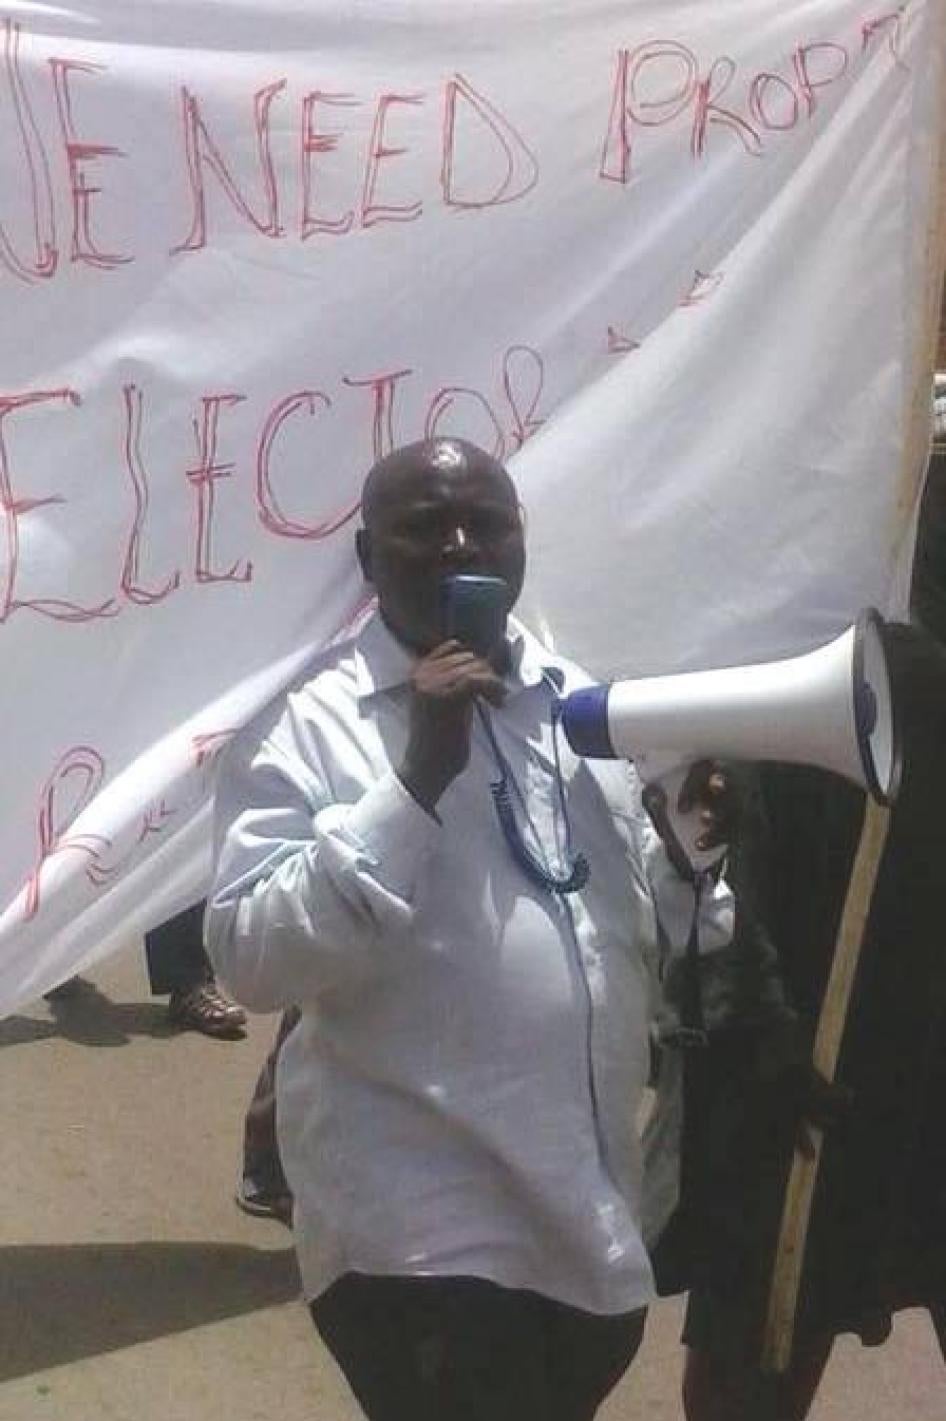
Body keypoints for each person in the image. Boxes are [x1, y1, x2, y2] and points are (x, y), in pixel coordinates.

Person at [205, 436, 743, 1420]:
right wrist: (415, 777)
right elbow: (249, 955)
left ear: (519, 541)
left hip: (580, 1230)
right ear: (369, 559)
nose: (461, 544)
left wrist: (691, 856)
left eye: (485, 523)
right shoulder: (306, 724)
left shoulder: (580, 704)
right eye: (425, 527)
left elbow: (653, 936)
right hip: (417, 1235)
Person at [660, 435, 946, 1420]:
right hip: (819, 1055)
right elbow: (720, 860)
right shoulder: (817, 656)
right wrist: (757, 1032)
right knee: (757, 1357)